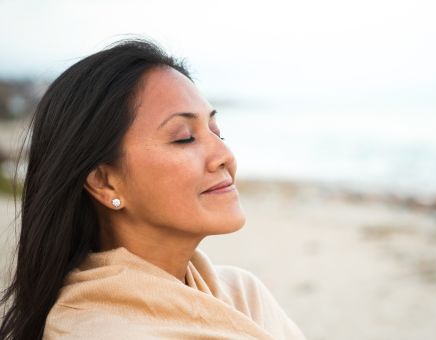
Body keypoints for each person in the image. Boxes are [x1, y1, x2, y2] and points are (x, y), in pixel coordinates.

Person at [0, 39, 307, 340]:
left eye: (217, 133)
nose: (225, 157)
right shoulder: (96, 330)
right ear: (104, 182)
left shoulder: (244, 295)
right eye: (184, 137)